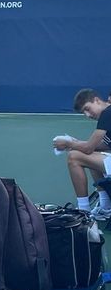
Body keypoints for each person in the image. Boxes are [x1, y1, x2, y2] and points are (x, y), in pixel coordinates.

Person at [53, 88, 111, 219]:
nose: (88, 115)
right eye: (84, 113)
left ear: (96, 100)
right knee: (85, 154)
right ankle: (106, 207)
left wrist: (69, 144)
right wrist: (75, 142)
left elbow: (89, 148)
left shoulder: (107, 113)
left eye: (88, 109)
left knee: (74, 157)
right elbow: (102, 146)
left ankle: (83, 211)